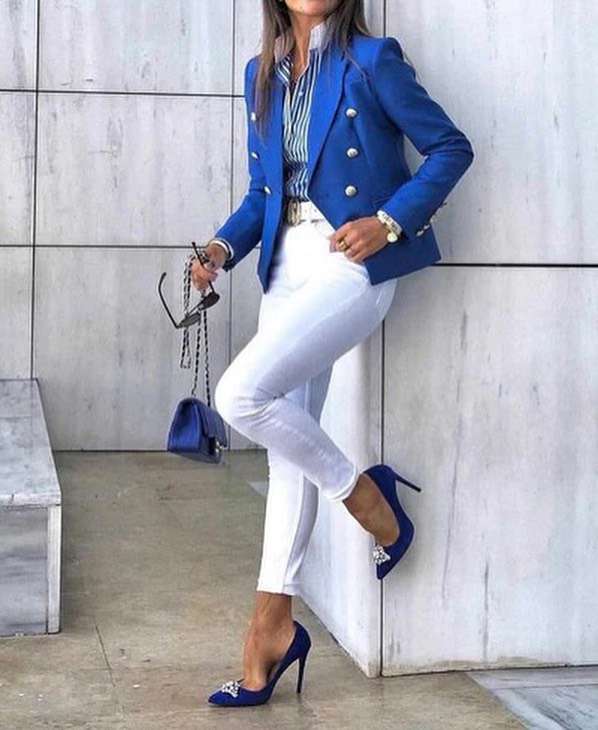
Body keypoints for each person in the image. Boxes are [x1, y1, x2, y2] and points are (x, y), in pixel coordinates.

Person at [192, 0, 474, 707]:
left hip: (350, 265)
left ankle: (365, 496)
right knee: (285, 453)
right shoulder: (261, 73)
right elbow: (265, 192)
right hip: (283, 267)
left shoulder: (372, 61)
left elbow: (450, 148)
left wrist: (389, 222)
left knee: (240, 396)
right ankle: (271, 630)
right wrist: (221, 250)